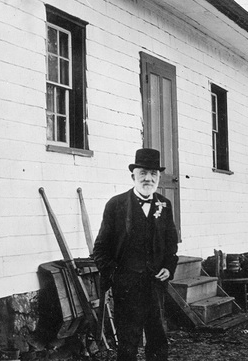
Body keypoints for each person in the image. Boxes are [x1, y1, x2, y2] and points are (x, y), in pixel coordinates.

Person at [93, 148, 178, 361]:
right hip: (127, 287)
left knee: (158, 338)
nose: (148, 178)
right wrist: (114, 276)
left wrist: (168, 267)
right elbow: (100, 249)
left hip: (155, 286)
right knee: (128, 341)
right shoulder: (116, 205)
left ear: (158, 177)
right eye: (143, 173)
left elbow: (171, 245)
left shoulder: (164, 205)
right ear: (133, 176)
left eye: (154, 174)